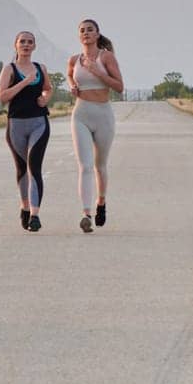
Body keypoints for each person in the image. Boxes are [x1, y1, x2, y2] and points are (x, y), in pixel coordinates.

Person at [66, 19, 124, 233]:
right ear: (78, 36)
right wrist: (72, 86)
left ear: (98, 34)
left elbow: (119, 86)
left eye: (90, 30)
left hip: (103, 114)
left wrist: (96, 71)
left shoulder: (106, 57)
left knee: (100, 165)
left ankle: (101, 202)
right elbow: (70, 75)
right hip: (81, 114)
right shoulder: (74, 59)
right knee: (85, 166)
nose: (86, 33)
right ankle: (86, 214)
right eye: (82, 30)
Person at [0, 31, 53, 232]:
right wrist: (24, 82)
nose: (26, 45)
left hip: (39, 123)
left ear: (34, 46)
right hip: (16, 125)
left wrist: (45, 97)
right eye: (22, 42)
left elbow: (48, 88)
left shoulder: (40, 68)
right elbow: (2, 97)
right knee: (22, 169)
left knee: (34, 166)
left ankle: (35, 215)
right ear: (16, 45)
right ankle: (25, 207)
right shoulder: (9, 69)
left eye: (30, 42)